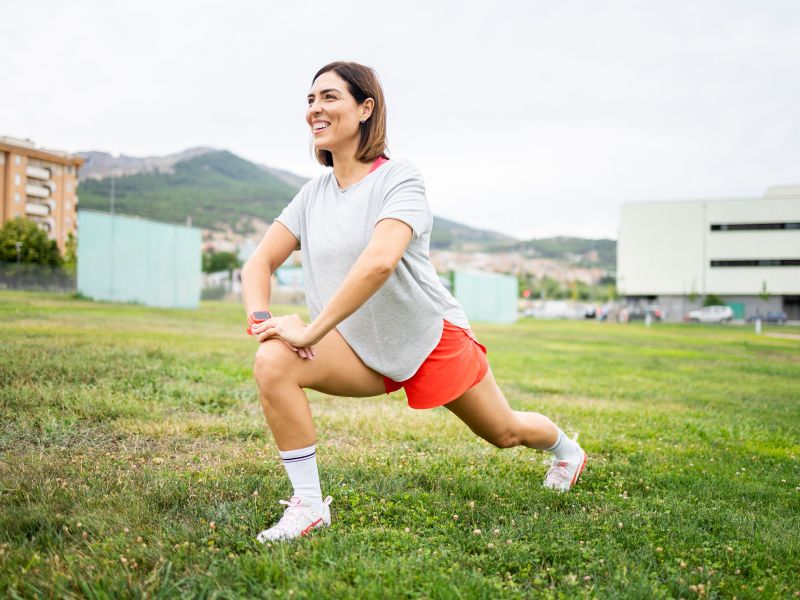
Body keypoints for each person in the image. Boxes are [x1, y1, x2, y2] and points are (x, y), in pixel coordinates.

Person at [241, 61, 587, 543]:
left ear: (366, 109)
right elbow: (258, 263)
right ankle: (309, 506)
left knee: (504, 432)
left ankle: (566, 450)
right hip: (360, 348)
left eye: (329, 97)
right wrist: (263, 321)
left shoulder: (400, 178)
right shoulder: (311, 195)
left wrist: (310, 329)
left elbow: (380, 262)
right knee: (273, 360)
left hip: (426, 337)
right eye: (310, 99)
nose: (315, 109)